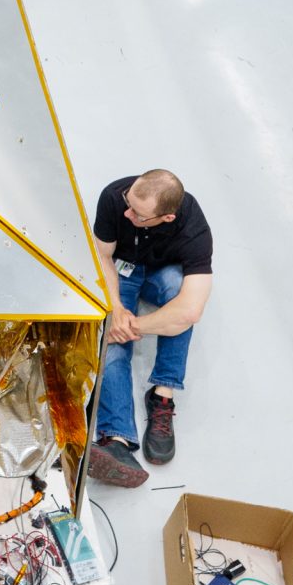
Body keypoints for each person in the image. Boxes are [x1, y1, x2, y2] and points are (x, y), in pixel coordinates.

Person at [85, 168, 215, 488]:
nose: (127, 214)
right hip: (122, 269)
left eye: (138, 215)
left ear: (167, 218)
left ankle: (162, 394)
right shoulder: (114, 196)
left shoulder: (194, 229)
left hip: (163, 271)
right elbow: (102, 256)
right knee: (111, 343)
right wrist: (116, 309)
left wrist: (131, 325)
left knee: (177, 296)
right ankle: (117, 440)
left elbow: (191, 309)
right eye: (128, 203)